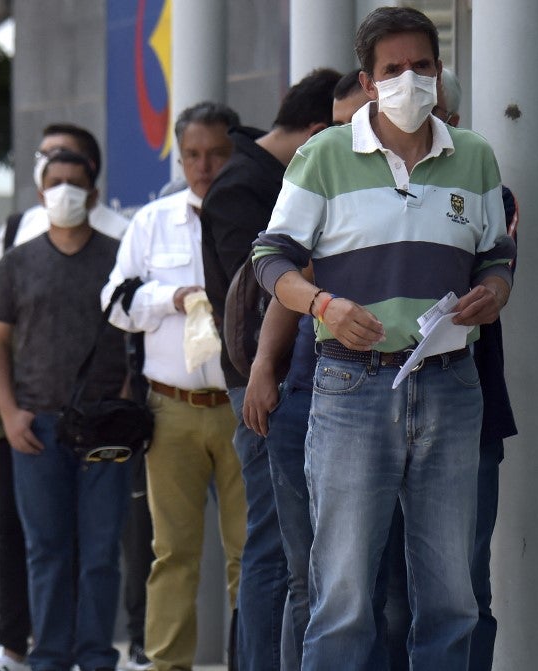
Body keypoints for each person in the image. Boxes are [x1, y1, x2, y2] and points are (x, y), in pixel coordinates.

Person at [251, 7, 514, 669]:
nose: (409, 80)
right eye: (392, 69)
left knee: (452, 594)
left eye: (421, 66)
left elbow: (495, 255)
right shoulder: (324, 156)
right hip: (350, 384)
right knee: (342, 595)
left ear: (439, 70)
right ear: (368, 82)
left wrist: (497, 289)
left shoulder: (475, 155)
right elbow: (270, 258)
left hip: (452, 384)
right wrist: (324, 304)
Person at [0, 123, 130, 671]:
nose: (66, 192)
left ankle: (96, 656)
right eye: (56, 183)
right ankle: (48, 657)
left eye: (76, 183)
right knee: (44, 551)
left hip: (104, 429)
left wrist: (122, 405)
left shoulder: (119, 257)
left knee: (100, 553)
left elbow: (134, 335)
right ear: (40, 191)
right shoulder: (17, 261)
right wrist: (7, 411)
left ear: (94, 194)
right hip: (34, 428)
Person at [199, 68, 341, 671]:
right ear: (315, 130)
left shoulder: (269, 175)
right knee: (273, 550)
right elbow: (259, 289)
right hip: (264, 383)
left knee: (296, 553)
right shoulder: (241, 187)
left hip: (292, 375)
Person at [380, 67, 520, 671]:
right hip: (370, 408)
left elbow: (497, 269)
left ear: (453, 124)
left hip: (468, 404)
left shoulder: (488, 191)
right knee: (386, 594)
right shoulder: (360, 186)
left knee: (464, 588)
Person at [102, 101, 246, 671]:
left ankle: (251, 659)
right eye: (192, 155)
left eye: (215, 154)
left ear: (234, 152)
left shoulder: (256, 214)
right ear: (179, 156)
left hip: (243, 405)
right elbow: (114, 303)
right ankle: (167, 665)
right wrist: (172, 298)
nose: (204, 166)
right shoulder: (152, 221)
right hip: (173, 408)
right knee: (172, 553)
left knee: (249, 552)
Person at [239, 69, 374, 670]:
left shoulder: (418, 190)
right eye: (337, 126)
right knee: (304, 580)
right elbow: (283, 278)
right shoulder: (320, 186)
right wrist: (265, 366)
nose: (346, 138)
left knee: (373, 589)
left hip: (382, 401)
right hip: (301, 400)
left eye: (356, 125)